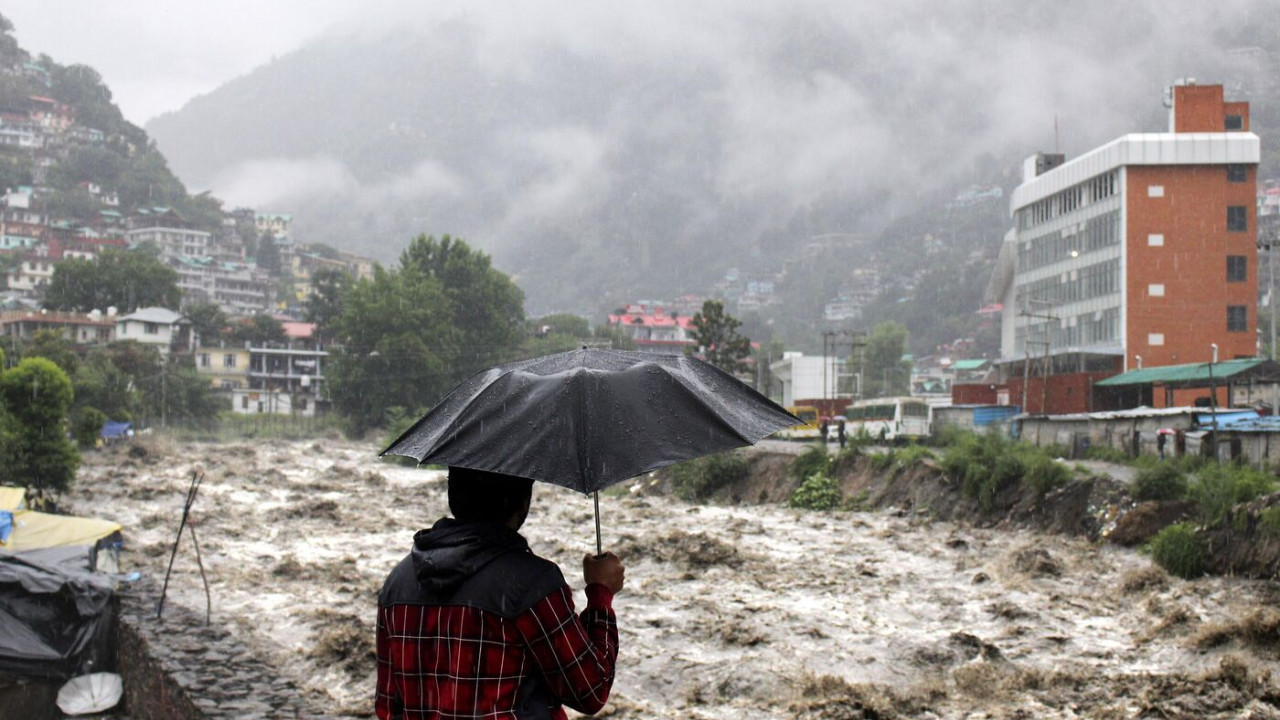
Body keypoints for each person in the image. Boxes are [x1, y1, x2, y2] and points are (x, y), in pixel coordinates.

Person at [376, 467, 625, 720]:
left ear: (454, 495)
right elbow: (590, 690)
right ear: (522, 504)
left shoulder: (398, 582)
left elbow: (387, 707)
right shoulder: (532, 584)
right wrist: (600, 594)